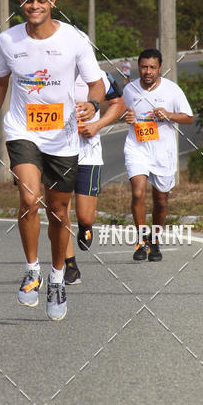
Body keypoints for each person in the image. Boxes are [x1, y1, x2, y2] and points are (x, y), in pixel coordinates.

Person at [0, 0, 104, 321]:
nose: (35, 6)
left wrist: (92, 105)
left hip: (62, 137)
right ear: (21, 3)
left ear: (53, 3)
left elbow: (97, 85)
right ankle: (32, 269)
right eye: (29, 0)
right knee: (29, 199)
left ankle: (58, 277)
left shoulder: (75, 41)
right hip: (23, 131)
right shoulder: (8, 40)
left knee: (59, 213)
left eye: (41, 0)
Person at [123, 49, 193, 262]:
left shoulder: (172, 90)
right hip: (137, 147)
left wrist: (170, 115)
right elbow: (120, 111)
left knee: (161, 201)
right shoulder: (129, 89)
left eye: (152, 67)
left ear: (159, 68)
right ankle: (141, 241)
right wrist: (126, 117)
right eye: (144, 67)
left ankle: (155, 241)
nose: (148, 71)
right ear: (138, 67)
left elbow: (188, 117)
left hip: (163, 152)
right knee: (138, 192)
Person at [64, 70, 126, 285]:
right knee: (58, 211)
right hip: (57, 153)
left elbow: (119, 104)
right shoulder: (48, 73)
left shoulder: (98, 75)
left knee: (85, 216)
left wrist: (97, 125)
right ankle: (70, 265)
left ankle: (85, 228)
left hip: (88, 155)